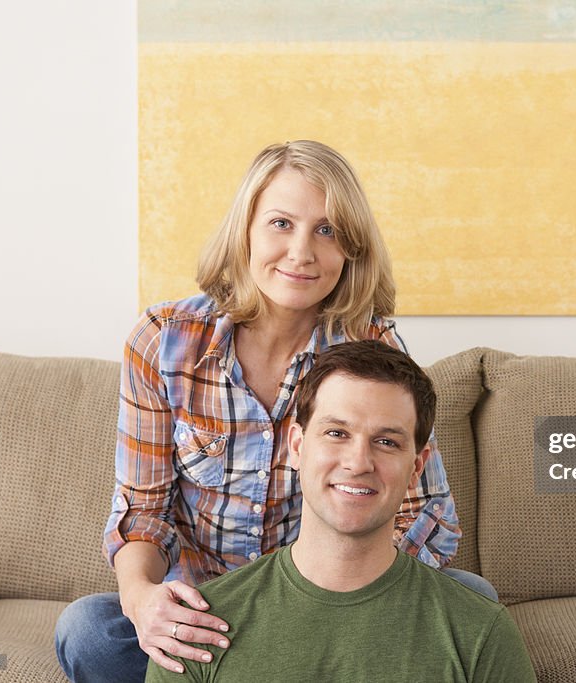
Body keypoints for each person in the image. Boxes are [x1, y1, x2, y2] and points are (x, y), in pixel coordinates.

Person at [55, 141, 495, 683]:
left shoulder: (368, 344)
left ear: (351, 251)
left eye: (328, 231)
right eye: (281, 223)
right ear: (245, 231)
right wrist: (144, 599)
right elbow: (143, 511)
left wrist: (328, 601)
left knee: (475, 599)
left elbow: (425, 514)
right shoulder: (164, 341)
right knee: (89, 631)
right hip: (206, 613)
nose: (302, 252)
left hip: (333, 604)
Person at [145, 340, 536, 682]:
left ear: (417, 467)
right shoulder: (194, 629)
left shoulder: (481, 631)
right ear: (297, 447)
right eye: (337, 433)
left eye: (386, 441)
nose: (358, 461)